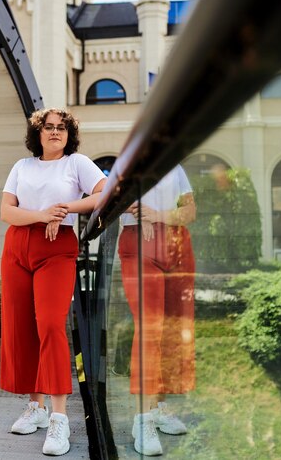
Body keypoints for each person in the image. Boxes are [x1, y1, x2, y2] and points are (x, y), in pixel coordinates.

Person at [0, 108, 106, 456]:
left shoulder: (77, 163)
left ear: (68, 134)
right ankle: (36, 406)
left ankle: (59, 418)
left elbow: (104, 193)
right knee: (22, 327)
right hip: (17, 246)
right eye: (49, 127)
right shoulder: (22, 166)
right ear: (38, 133)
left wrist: (64, 209)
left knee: (49, 325)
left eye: (61, 128)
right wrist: (42, 214)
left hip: (56, 247)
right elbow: (7, 212)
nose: (55, 132)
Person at [118, 165, 196, 456]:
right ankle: (143, 419)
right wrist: (140, 213)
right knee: (149, 328)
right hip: (139, 243)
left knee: (172, 331)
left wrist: (159, 216)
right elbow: (108, 197)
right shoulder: (129, 162)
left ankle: (159, 406)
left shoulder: (174, 167)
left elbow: (190, 211)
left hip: (175, 244)